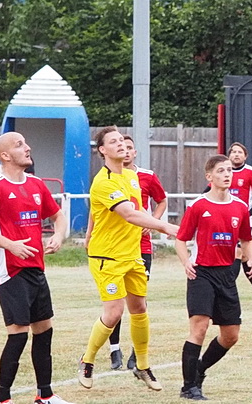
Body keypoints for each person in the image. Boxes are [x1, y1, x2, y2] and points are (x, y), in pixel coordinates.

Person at [0, 132, 74, 404]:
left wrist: (58, 236)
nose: (28, 147)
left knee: (44, 331)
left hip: (36, 270)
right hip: (11, 273)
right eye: (19, 145)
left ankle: (45, 395)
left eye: (26, 143)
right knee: (18, 335)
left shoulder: (37, 185)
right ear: (5, 155)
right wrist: (11, 245)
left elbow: (58, 215)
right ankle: (1, 398)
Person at [78, 126, 179, 392]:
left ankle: (142, 366)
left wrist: (153, 223)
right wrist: (166, 227)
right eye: (114, 141)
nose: (121, 144)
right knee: (113, 313)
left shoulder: (132, 177)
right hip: (107, 257)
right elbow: (129, 214)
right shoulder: (104, 181)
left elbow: (136, 210)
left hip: (133, 254)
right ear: (102, 150)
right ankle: (87, 360)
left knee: (140, 308)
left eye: (123, 140)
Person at [176, 154, 252, 400]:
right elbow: (181, 240)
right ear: (209, 176)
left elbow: (246, 240)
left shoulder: (240, 207)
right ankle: (189, 387)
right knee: (199, 328)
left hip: (226, 275)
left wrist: (251, 259)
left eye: (229, 171)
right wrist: (186, 262)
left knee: (231, 335)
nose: (227, 174)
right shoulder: (198, 206)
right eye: (221, 170)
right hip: (201, 272)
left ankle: (199, 370)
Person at [104, 134, 168, 371]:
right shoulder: (109, 179)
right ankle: (114, 350)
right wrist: (90, 236)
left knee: (137, 301)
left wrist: (151, 222)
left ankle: (136, 353)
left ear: (135, 152)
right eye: (122, 146)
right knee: (115, 301)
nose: (126, 151)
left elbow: (162, 201)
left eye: (130, 147)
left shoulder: (147, 177)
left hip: (141, 246)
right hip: (115, 246)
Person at [203, 141, 252, 304]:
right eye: (233, 152)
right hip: (222, 218)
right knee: (239, 255)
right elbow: (207, 191)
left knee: (239, 253)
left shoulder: (251, 173)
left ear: (245, 156)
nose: (236, 154)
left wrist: (246, 215)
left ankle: (227, 287)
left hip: (240, 220)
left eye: (240, 152)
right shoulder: (222, 173)